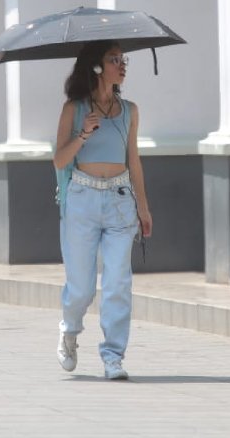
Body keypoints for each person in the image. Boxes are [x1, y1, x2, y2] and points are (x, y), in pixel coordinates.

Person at [53, 41, 153, 380]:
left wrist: (143, 207)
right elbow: (60, 159)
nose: (122, 65)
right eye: (114, 59)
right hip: (83, 199)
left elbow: (134, 160)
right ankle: (70, 330)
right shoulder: (74, 109)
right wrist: (83, 134)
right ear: (97, 66)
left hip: (120, 200)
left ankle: (113, 356)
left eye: (123, 59)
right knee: (81, 287)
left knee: (117, 283)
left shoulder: (130, 111)